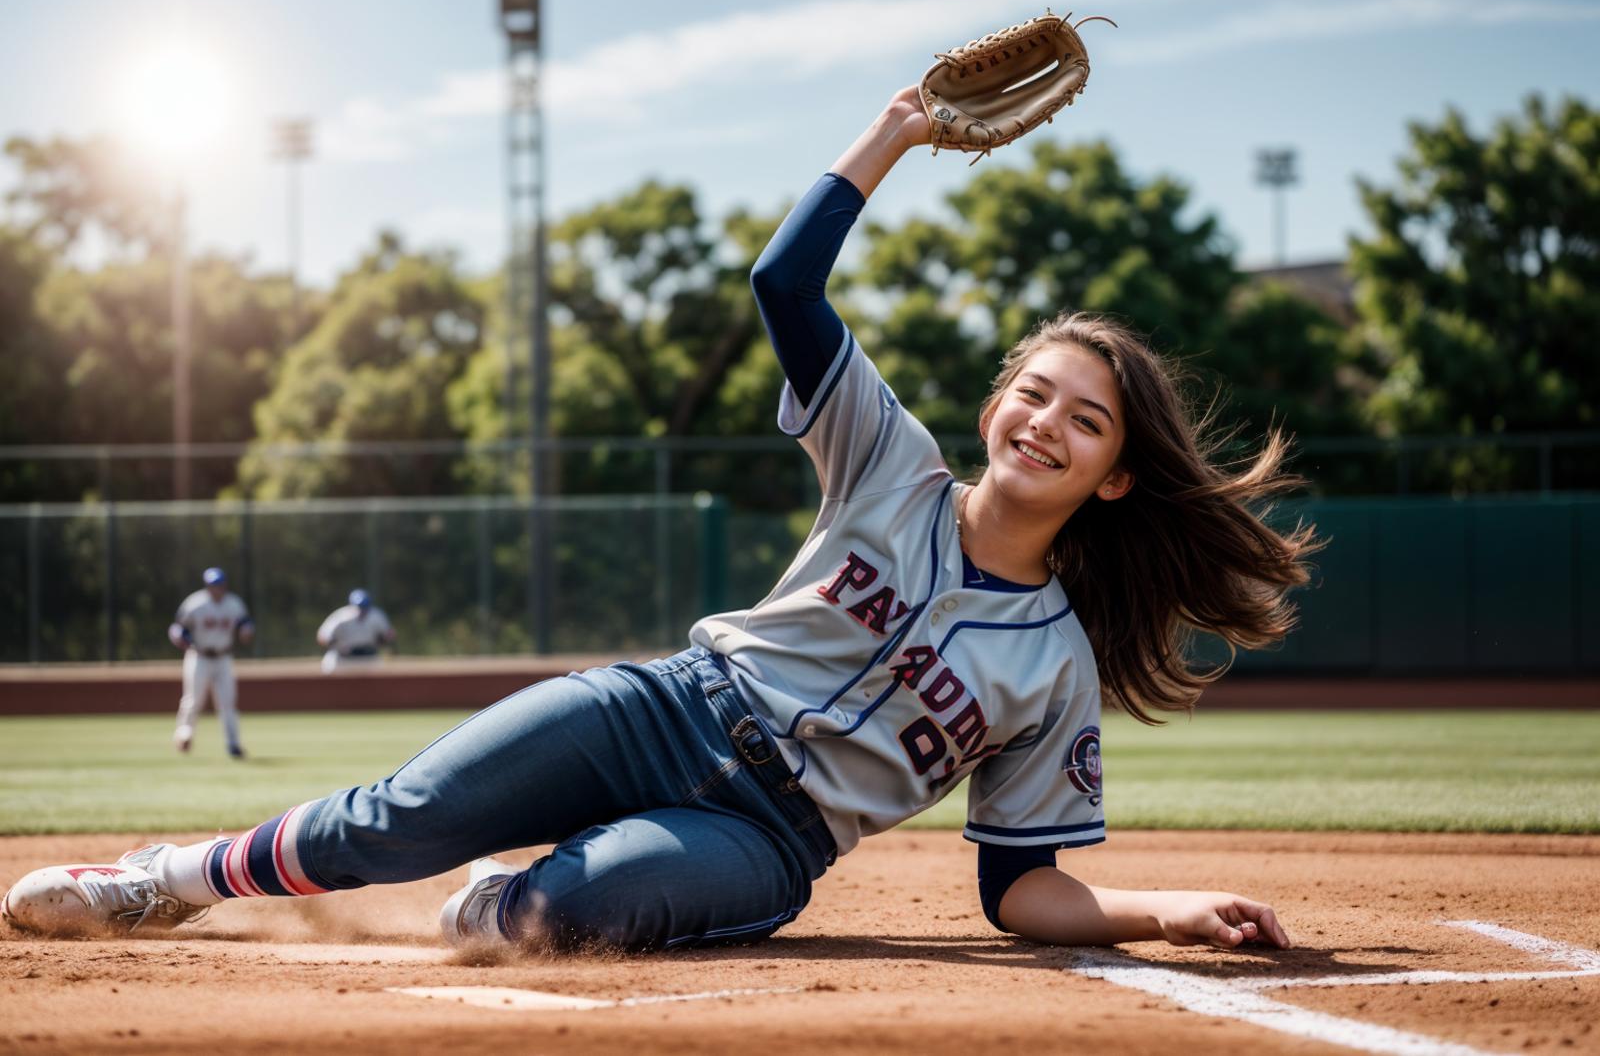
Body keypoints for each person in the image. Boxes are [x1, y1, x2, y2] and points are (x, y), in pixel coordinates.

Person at [2, 88, 1316, 953]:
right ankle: (163, 877)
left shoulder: (1053, 661)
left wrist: (1169, 907)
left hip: (766, 836)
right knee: (393, 817)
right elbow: (783, 280)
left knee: (567, 907)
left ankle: (500, 896)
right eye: (1035, 390)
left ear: (1117, 477)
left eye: (1086, 420)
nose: (1046, 421)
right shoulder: (892, 462)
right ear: (996, 403)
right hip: (667, 701)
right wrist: (897, 131)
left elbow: (1019, 887)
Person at [167, 567, 254, 760]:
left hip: (223, 657)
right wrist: (182, 639)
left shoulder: (233, 604)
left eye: (220, 585)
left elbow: (245, 623)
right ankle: (184, 734)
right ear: (207, 586)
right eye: (214, 585)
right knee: (193, 699)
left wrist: (246, 631)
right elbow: (178, 627)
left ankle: (233, 745)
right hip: (199, 656)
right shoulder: (195, 603)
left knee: (227, 702)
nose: (217, 589)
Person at [316, 589, 396, 673]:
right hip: (342, 658)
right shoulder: (341, 617)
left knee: (382, 679)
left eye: (365, 606)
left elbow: (389, 633)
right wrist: (333, 643)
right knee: (329, 670)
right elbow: (322, 636)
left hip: (369, 657)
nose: (362, 610)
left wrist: (384, 640)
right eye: (359, 607)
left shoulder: (376, 616)